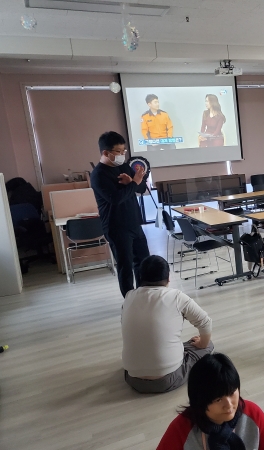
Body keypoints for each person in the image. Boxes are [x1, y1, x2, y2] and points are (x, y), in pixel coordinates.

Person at [122, 255, 213, 394]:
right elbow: (205, 322)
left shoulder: (129, 296)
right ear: (168, 278)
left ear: (140, 277)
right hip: (167, 380)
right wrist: (202, 344)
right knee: (208, 344)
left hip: (132, 378)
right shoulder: (176, 296)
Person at [157, 353, 264, 450]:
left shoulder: (252, 413)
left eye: (232, 393)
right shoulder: (182, 427)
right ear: (200, 400)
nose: (229, 405)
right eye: (218, 399)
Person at [91, 131, 150, 297]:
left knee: (144, 262)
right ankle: (130, 300)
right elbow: (115, 198)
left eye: (124, 151)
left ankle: (144, 297)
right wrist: (133, 183)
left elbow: (141, 188)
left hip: (134, 223)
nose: (122, 155)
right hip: (116, 226)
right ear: (106, 153)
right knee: (125, 265)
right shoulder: (98, 174)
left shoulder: (123, 167)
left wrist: (133, 182)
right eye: (118, 151)